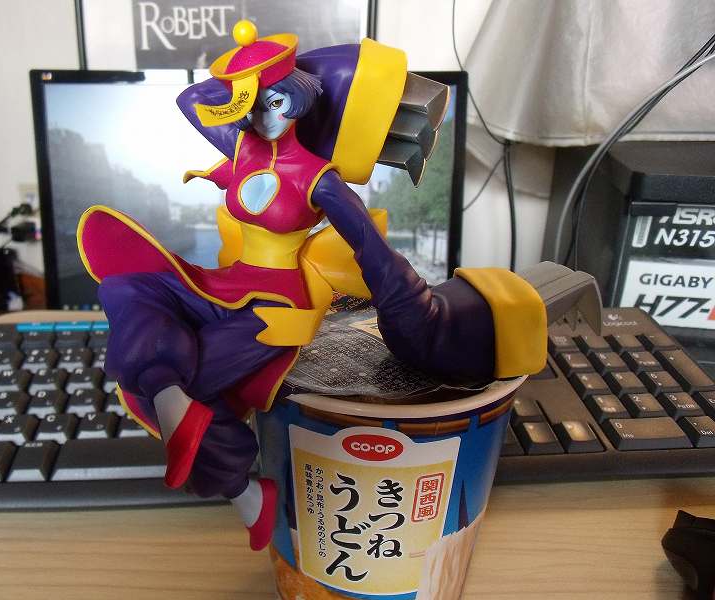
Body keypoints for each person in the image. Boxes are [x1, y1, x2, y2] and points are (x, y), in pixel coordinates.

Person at [77, 21, 547, 551]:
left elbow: (368, 244)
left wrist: (413, 307)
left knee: (183, 379)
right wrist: (247, 72)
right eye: (254, 108)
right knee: (129, 284)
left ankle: (230, 475)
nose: (264, 118)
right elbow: (191, 100)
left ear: (298, 102)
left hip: (276, 305)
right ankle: (176, 402)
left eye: (276, 103)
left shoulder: (318, 177)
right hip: (226, 283)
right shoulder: (242, 145)